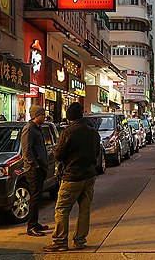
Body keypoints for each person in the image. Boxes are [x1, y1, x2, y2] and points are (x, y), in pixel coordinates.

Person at [44, 102, 100, 253]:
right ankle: (80, 240)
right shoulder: (93, 132)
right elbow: (97, 153)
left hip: (72, 176)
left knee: (62, 209)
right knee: (84, 209)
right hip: (89, 175)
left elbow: (59, 155)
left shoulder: (68, 133)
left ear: (69, 118)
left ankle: (60, 241)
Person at [21, 104, 49, 237]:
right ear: (36, 116)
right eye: (43, 114)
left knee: (38, 197)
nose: (45, 117)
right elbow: (27, 151)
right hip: (33, 170)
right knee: (34, 197)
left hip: (40, 167)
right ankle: (31, 226)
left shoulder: (37, 128)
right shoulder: (29, 129)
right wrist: (36, 165)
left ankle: (35, 223)